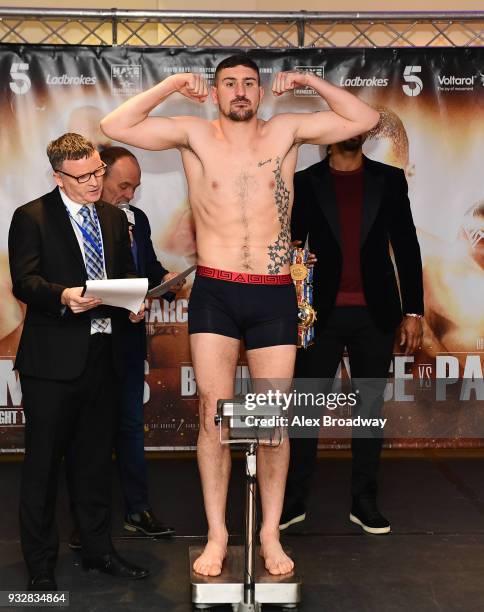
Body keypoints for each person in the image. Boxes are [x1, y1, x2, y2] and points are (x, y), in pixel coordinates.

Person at [100, 54, 379, 577]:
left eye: (249, 83)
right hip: (217, 292)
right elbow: (114, 126)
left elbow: (364, 120)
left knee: (273, 422)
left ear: (261, 91)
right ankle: (218, 534)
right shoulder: (194, 134)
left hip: (274, 293)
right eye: (229, 83)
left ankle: (269, 533)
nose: (241, 92)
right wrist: (171, 85)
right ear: (218, 92)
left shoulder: (287, 130)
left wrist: (310, 81)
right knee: (212, 415)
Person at [8, 133, 149, 590]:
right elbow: (25, 282)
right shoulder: (31, 216)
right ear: (58, 177)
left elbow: (123, 276)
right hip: (52, 363)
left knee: (93, 464)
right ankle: (41, 568)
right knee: (43, 467)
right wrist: (63, 297)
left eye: (98, 171)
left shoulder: (111, 216)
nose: (95, 181)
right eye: (85, 175)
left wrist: (135, 299)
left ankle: (98, 551)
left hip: (103, 356)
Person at [281, 134, 424, 535]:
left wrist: (414, 310)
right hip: (318, 315)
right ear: (328, 133)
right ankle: (293, 500)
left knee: (369, 411)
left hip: (375, 314)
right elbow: (291, 243)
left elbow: (407, 245)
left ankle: (364, 502)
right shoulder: (306, 181)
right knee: (306, 409)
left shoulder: (390, 179)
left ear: (366, 131)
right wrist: (294, 270)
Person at [67, 146, 182, 549]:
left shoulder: (137, 220)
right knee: (87, 433)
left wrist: (168, 282)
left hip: (128, 341)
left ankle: (138, 510)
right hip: (83, 342)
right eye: (123, 185)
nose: (129, 195)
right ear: (97, 177)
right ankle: (85, 522)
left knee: (131, 427)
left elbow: (145, 267)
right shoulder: (76, 222)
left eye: (135, 187)